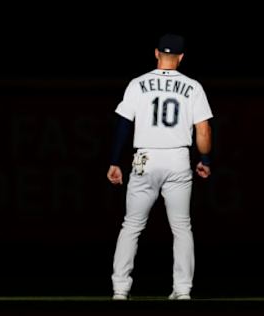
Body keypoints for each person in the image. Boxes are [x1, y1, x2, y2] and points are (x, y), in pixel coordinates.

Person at [107, 33, 213, 300]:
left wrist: (114, 161)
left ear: (156, 53)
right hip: (177, 158)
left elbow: (123, 124)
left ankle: (120, 289)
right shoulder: (193, 86)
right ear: (181, 57)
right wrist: (205, 159)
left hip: (145, 157)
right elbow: (203, 129)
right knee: (182, 227)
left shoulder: (137, 83)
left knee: (131, 225)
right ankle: (183, 289)